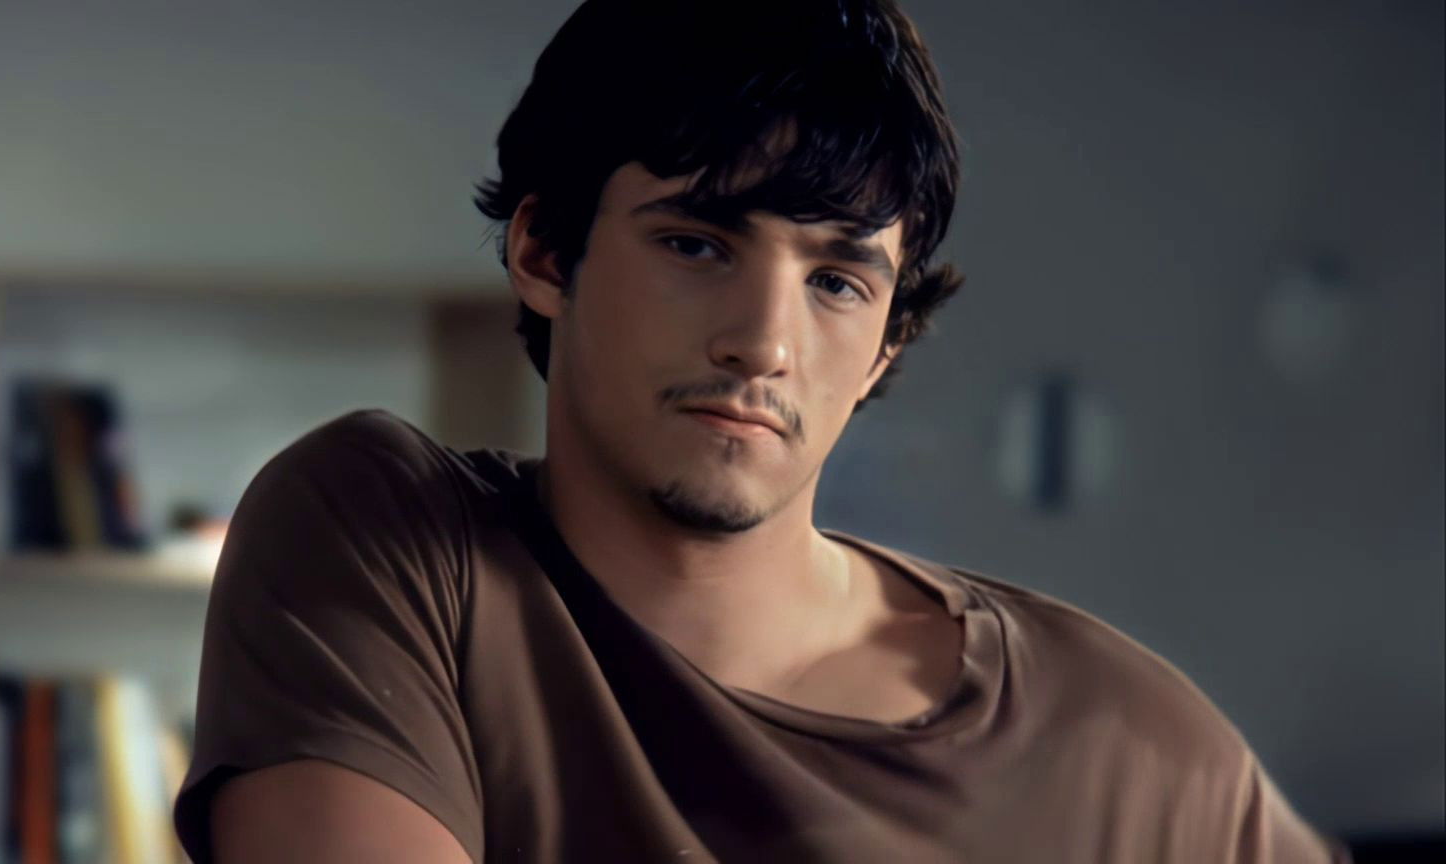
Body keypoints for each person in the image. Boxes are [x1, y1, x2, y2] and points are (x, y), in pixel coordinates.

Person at [173, 1, 1349, 861]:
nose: (764, 342)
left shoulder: (1115, 737)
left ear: (886, 341)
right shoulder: (394, 538)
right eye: (697, 244)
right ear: (544, 252)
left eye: (837, 281)